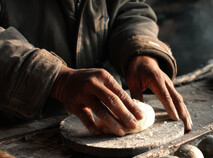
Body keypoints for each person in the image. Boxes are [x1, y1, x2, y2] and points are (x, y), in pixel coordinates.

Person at [0, 0, 192, 135]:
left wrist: (139, 49)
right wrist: (55, 79)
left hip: (103, 121)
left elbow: (127, 7)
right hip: (17, 129)